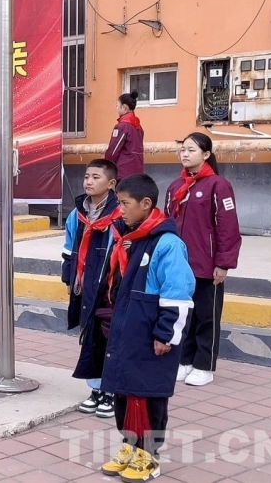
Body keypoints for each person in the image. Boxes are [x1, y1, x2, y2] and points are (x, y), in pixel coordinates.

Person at [99, 174, 195, 482]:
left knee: (150, 396)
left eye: (124, 203)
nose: (120, 210)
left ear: (146, 204)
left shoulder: (168, 244)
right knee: (124, 392)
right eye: (118, 203)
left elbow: (178, 294)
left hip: (153, 336)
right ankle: (129, 445)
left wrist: (165, 335)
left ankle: (149, 456)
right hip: (129, 332)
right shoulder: (131, 238)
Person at [165, 132, 241, 387]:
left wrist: (223, 263)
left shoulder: (218, 186)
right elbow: (167, 224)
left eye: (191, 150)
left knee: (207, 317)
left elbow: (228, 227)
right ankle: (185, 361)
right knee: (185, 314)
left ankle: (204, 365)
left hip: (208, 265)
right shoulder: (176, 187)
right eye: (183, 150)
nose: (185, 154)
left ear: (206, 154)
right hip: (181, 264)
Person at [61, 159, 121, 418]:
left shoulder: (119, 214)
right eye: (87, 176)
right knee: (90, 338)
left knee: (110, 338)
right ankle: (95, 389)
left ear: (111, 183)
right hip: (85, 286)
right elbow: (68, 249)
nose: (89, 181)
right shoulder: (78, 214)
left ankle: (111, 390)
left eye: (96, 177)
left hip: (108, 289)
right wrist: (69, 280)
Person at [105, 91, 144, 180]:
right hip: (138, 172)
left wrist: (106, 164)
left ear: (124, 107)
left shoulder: (122, 126)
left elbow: (113, 150)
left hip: (123, 172)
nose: (116, 108)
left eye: (117, 106)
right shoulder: (139, 127)